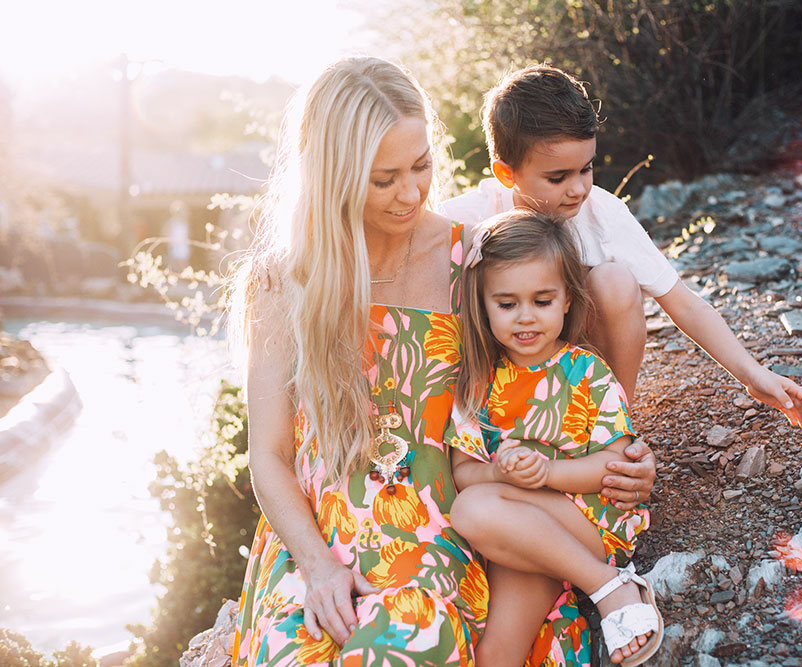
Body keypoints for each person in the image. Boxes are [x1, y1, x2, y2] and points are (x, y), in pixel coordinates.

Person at [227, 57, 656, 666]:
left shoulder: (476, 261)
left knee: (408, 643)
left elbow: (564, 367)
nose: (410, 193)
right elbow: (268, 453)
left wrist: (619, 458)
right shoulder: (282, 279)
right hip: (317, 534)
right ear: (332, 175)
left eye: (422, 166)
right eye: (384, 179)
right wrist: (319, 566)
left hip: (438, 519)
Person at [439, 65, 802, 428]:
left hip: (575, 372)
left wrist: (751, 373)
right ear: (507, 174)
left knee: (614, 280)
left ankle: (610, 425)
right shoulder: (463, 220)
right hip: (492, 383)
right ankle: (483, 426)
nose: (578, 189)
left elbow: (682, 301)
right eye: (558, 177)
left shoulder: (601, 212)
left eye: (586, 169)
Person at [447, 209, 663, 667]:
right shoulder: (477, 383)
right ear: (483, 305)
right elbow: (464, 473)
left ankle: (609, 585)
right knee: (495, 654)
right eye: (507, 305)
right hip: (516, 533)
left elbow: (616, 462)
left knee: (472, 508)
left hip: (586, 525)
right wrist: (500, 470)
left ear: (567, 300)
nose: (525, 318)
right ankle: (598, 583)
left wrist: (546, 472)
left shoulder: (587, 372)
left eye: (542, 301)